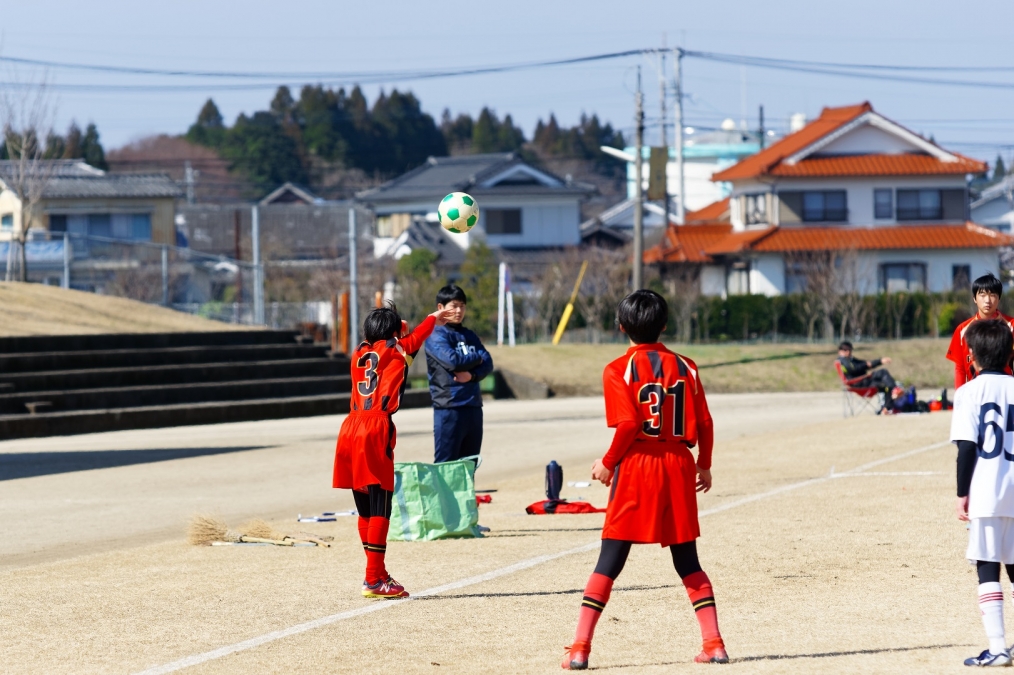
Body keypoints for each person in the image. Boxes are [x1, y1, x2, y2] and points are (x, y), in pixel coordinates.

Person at [560, 290, 727, 670]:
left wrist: (607, 461)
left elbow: (631, 423)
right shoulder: (688, 366)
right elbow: (704, 422)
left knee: (610, 559)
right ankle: (714, 643)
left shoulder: (617, 369)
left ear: (621, 327)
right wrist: (704, 464)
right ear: (665, 325)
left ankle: (580, 649)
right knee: (688, 560)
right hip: (679, 463)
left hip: (637, 465)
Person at [332, 302, 453, 599]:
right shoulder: (398, 350)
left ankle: (378, 572)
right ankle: (373, 579)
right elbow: (417, 336)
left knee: (364, 506)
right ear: (394, 331)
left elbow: (394, 336)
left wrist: (395, 326)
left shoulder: (359, 352)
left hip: (350, 426)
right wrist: (432, 317)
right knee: (380, 505)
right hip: (375, 427)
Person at [951, 319, 1014, 666]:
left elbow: (966, 448)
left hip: (988, 489)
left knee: (988, 567)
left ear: (972, 356)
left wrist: (963, 492)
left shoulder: (968, 393)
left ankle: (999, 647)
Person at [425, 285, 494, 464]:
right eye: (454, 305)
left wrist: (471, 376)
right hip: (449, 407)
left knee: (469, 464)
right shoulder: (434, 334)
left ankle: (466, 494)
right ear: (440, 308)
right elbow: (453, 361)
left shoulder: (468, 334)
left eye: (462, 306)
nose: (459, 311)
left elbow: (488, 363)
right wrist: (476, 357)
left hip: (473, 406)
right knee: (445, 464)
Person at [947, 273, 1014, 390]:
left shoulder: (1011, 326)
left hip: (1005, 391)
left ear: (999, 298)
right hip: (975, 393)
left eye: (992, 295)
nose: (987, 300)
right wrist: (960, 396)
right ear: (974, 298)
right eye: (982, 295)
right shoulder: (962, 330)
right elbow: (960, 368)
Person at [837, 341, 898, 406]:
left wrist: (880, 361)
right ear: (840, 351)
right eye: (845, 350)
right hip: (859, 384)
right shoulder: (843, 360)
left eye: (849, 349)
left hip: (861, 383)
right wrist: (866, 365)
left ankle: (886, 408)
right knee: (883, 372)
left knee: (887, 387)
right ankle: (895, 390)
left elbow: (866, 364)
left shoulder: (850, 360)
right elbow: (854, 369)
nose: (848, 352)